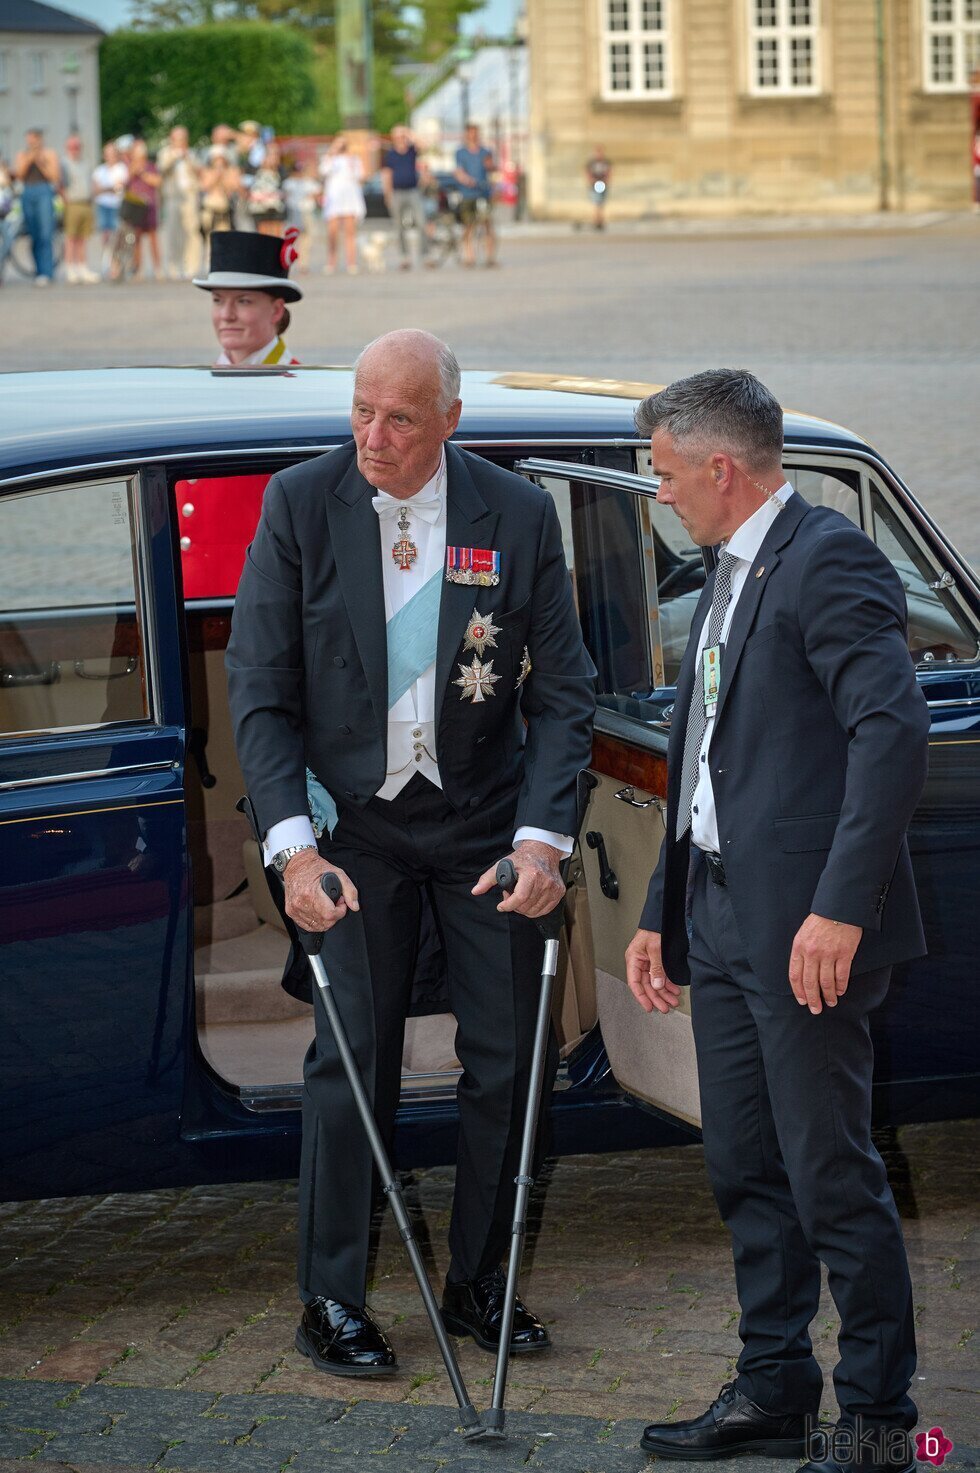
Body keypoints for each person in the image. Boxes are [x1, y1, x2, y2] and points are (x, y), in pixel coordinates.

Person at [225, 328, 596, 1375]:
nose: (371, 437)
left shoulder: (514, 513)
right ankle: (331, 1298)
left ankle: (482, 1283)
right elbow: (257, 689)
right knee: (352, 1065)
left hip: (484, 826)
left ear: (449, 423)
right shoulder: (301, 504)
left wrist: (540, 841)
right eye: (359, 411)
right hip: (352, 831)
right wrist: (293, 852)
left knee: (505, 1060)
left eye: (397, 419)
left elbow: (562, 694)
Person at [624, 370, 929, 1473]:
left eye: (661, 474)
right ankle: (773, 1387)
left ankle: (880, 1420)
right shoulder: (725, 569)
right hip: (717, 911)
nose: (654, 494)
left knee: (826, 1170)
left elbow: (889, 736)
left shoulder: (828, 561)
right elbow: (703, 755)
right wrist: (663, 909)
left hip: (804, 930)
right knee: (744, 1166)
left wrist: (838, 910)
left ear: (720, 468)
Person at [193, 229, 301, 366]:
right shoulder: (204, 383)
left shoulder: (297, 384)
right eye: (217, 300)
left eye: (243, 301)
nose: (226, 315)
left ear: (276, 310)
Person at [12, 128, 61, 286]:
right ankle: (39, 270)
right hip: (28, 192)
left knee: (46, 233)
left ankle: (47, 272)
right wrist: (30, 157)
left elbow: (54, 176)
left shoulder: (49, 154)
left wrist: (40, 161)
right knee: (33, 234)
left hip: (44, 192)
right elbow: (19, 175)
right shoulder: (22, 155)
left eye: (33, 140)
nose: (31, 143)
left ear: (40, 140)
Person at [381, 124, 430, 271]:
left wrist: (410, 133)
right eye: (398, 136)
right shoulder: (390, 155)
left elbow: (425, 146)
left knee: (421, 222)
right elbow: (386, 175)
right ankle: (404, 257)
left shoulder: (411, 151)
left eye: (403, 136)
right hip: (397, 193)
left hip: (413, 191)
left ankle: (425, 254)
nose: (401, 139)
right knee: (399, 226)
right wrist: (387, 194)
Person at [158, 125, 201, 280]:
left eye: (183, 138)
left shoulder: (192, 153)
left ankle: (191, 267)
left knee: (192, 232)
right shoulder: (165, 153)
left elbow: (199, 171)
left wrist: (187, 158)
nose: (181, 141)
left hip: (190, 196)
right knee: (172, 233)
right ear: (172, 139)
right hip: (172, 197)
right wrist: (175, 157)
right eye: (177, 138)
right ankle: (173, 265)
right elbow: (162, 169)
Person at [320, 135, 365, 274]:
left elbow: (360, 175)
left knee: (350, 232)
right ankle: (331, 262)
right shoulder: (329, 159)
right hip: (334, 198)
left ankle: (351, 262)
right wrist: (331, 154)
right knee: (332, 233)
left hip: (349, 198)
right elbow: (323, 171)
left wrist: (351, 160)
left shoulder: (353, 160)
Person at [454, 123, 496, 268]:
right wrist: (467, 180)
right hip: (467, 194)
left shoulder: (485, 151)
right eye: (470, 133)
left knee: (487, 224)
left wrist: (490, 165)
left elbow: (492, 168)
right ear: (466, 135)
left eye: (475, 133)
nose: (473, 136)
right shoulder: (460, 152)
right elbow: (458, 171)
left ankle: (490, 257)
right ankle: (469, 256)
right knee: (468, 226)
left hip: (483, 193)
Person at [60, 134, 98, 283]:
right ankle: (70, 268)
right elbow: (60, 184)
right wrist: (65, 200)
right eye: (72, 147)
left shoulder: (86, 163)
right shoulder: (64, 163)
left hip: (86, 203)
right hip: (72, 203)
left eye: (77, 147)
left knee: (83, 237)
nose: (75, 150)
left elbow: (91, 182)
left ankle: (82, 267)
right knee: (71, 237)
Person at [124, 139, 162, 280]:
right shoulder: (130, 166)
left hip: (150, 206)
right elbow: (126, 181)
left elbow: (157, 181)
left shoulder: (151, 166)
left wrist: (143, 173)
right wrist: (134, 170)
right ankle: (138, 269)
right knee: (136, 239)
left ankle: (157, 269)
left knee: (153, 238)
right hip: (136, 207)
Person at [92, 140, 128, 275]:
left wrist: (105, 188)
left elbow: (119, 187)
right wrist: (110, 188)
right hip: (103, 205)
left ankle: (116, 264)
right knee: (106, 236)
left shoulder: (121, 169)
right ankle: (108, 263)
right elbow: (96, 190)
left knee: (117, 236)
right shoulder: (99, 170)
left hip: (116, 206)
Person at [283, 159, 321, 273]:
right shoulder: (289, 182)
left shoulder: (308, 182)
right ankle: (292, 260)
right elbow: (285, 195)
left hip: (307, 212)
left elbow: (318, 192)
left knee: (307, 238)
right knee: (294, 239)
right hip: (294, 212)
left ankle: (303, 263)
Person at [199, 148, 241, 248]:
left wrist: (224, 177)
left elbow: (234, 188)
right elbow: (204, 187)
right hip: (210, 208)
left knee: (224, 238)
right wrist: (215, 177)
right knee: (209, 239)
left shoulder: (231, 172)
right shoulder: (207, 171)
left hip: (224, 210)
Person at [246, 139, 287, 237]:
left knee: (276, 237)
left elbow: (284, 190)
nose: (274, 157)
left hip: (276, 208)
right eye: (271, 154)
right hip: (260, 209)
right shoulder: (254, 171)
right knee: (263, 237)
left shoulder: (281, 171)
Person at [585, 145, 611, 230]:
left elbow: (609, 173)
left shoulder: (606, 162)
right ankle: (596, 221)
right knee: (596, 204)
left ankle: (600, 221)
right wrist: (592, 181)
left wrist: (605, 181)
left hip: (603, 184)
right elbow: (587, 173)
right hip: (594, 185)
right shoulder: (592, 163)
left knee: (601, 204)